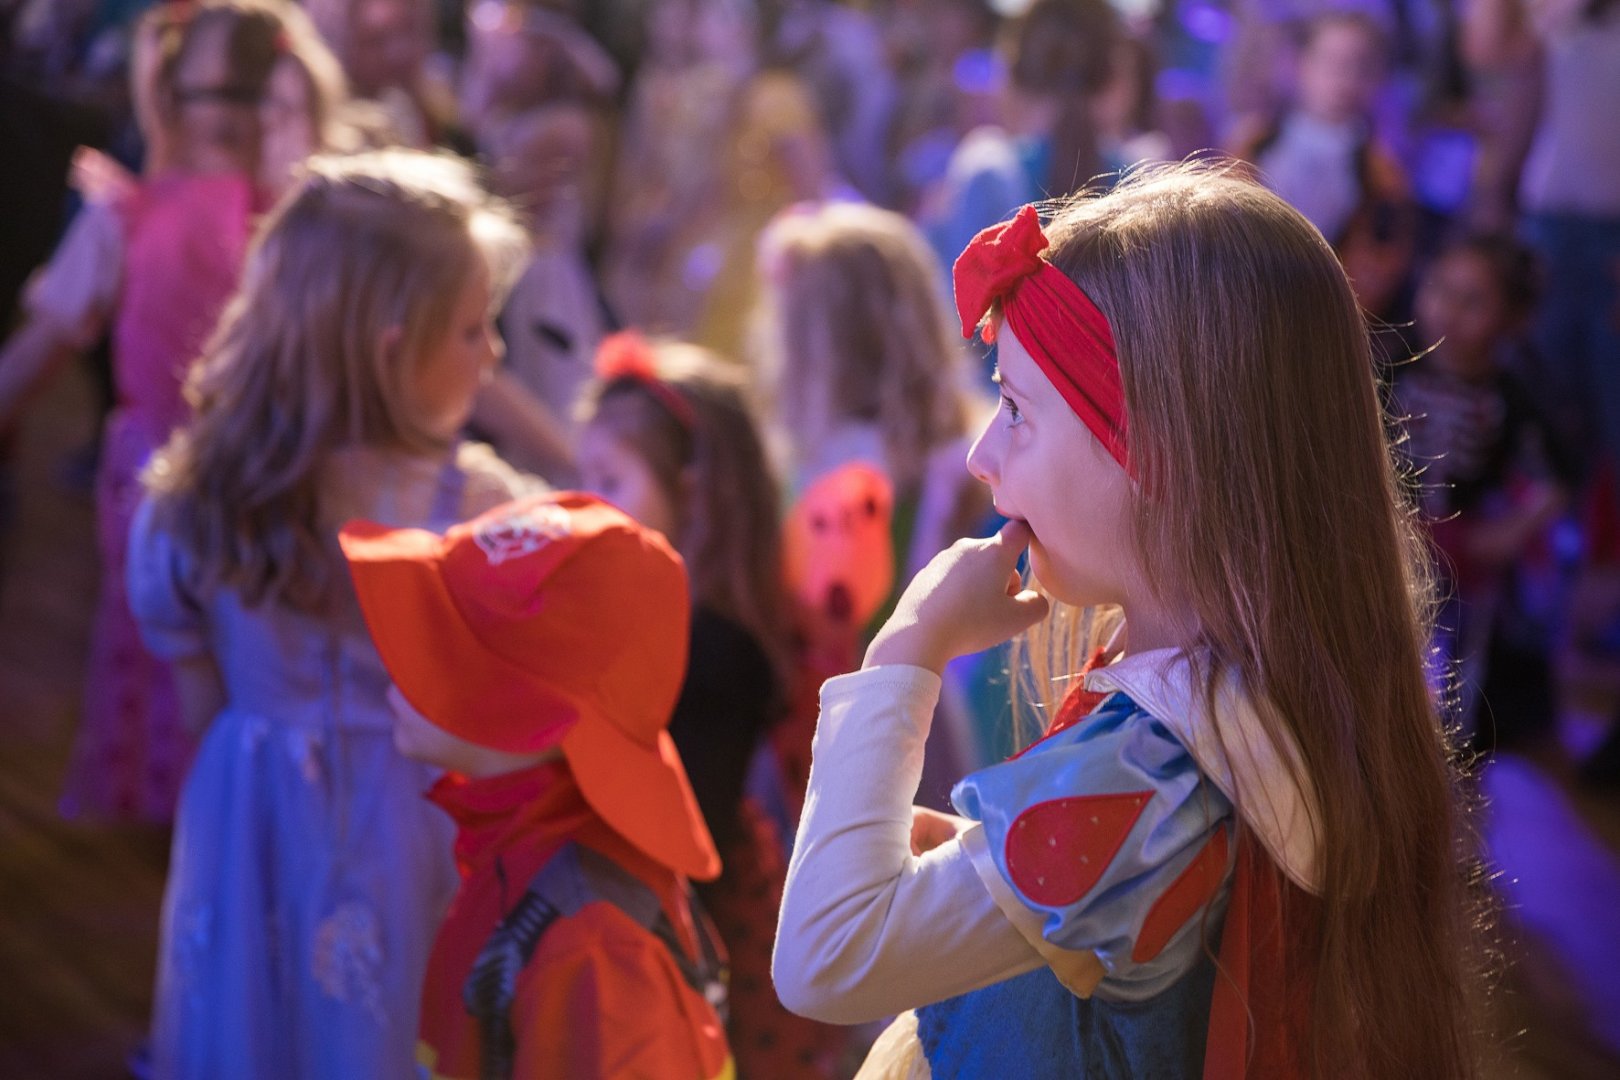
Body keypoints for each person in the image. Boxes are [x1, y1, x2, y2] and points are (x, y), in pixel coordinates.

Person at [773, 164, 1479, 1078]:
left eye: (1017, 409)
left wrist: (903, 651)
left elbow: (825, 960)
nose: (983, 454)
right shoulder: (1242, 708)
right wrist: (977, 863)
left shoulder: (1153, 771)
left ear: (1163, 452)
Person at [127, 149, 535, 1078]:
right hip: (412, 826)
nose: (495, 355)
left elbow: (202, 707)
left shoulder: (195, 499)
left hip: (250, 817)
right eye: (473, 330)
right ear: (390, 352)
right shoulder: (477, 509)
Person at [0, 0, 289, 822]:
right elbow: (31, 359)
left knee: (211, 662)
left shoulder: (281, 226)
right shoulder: (137, 217)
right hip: (186, 481)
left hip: (241, 483)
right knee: (180, 655)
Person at [340, 492, 733, 1080]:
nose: (392, 663)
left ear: (531, 716)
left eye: (437, 646)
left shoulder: (595, 951)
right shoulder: (520, 844)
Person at [575, 332, 841, 1077]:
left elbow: (687, 828)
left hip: (694, 930)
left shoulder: (717, 649)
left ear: (694, 493)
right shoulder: (668, 619)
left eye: (609, 480)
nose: (586, 502)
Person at [1394, 232, 1576, 749]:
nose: (1449, 312)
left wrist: (1507, 534)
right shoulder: (1391, 370)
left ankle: (1448, 752)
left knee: (1457, 665)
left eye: (1472, 301)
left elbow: (1559, 477)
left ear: (1512, 318)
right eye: (1439, 289)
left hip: (1464, 558)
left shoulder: (1512, 398)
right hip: (1390, 539)